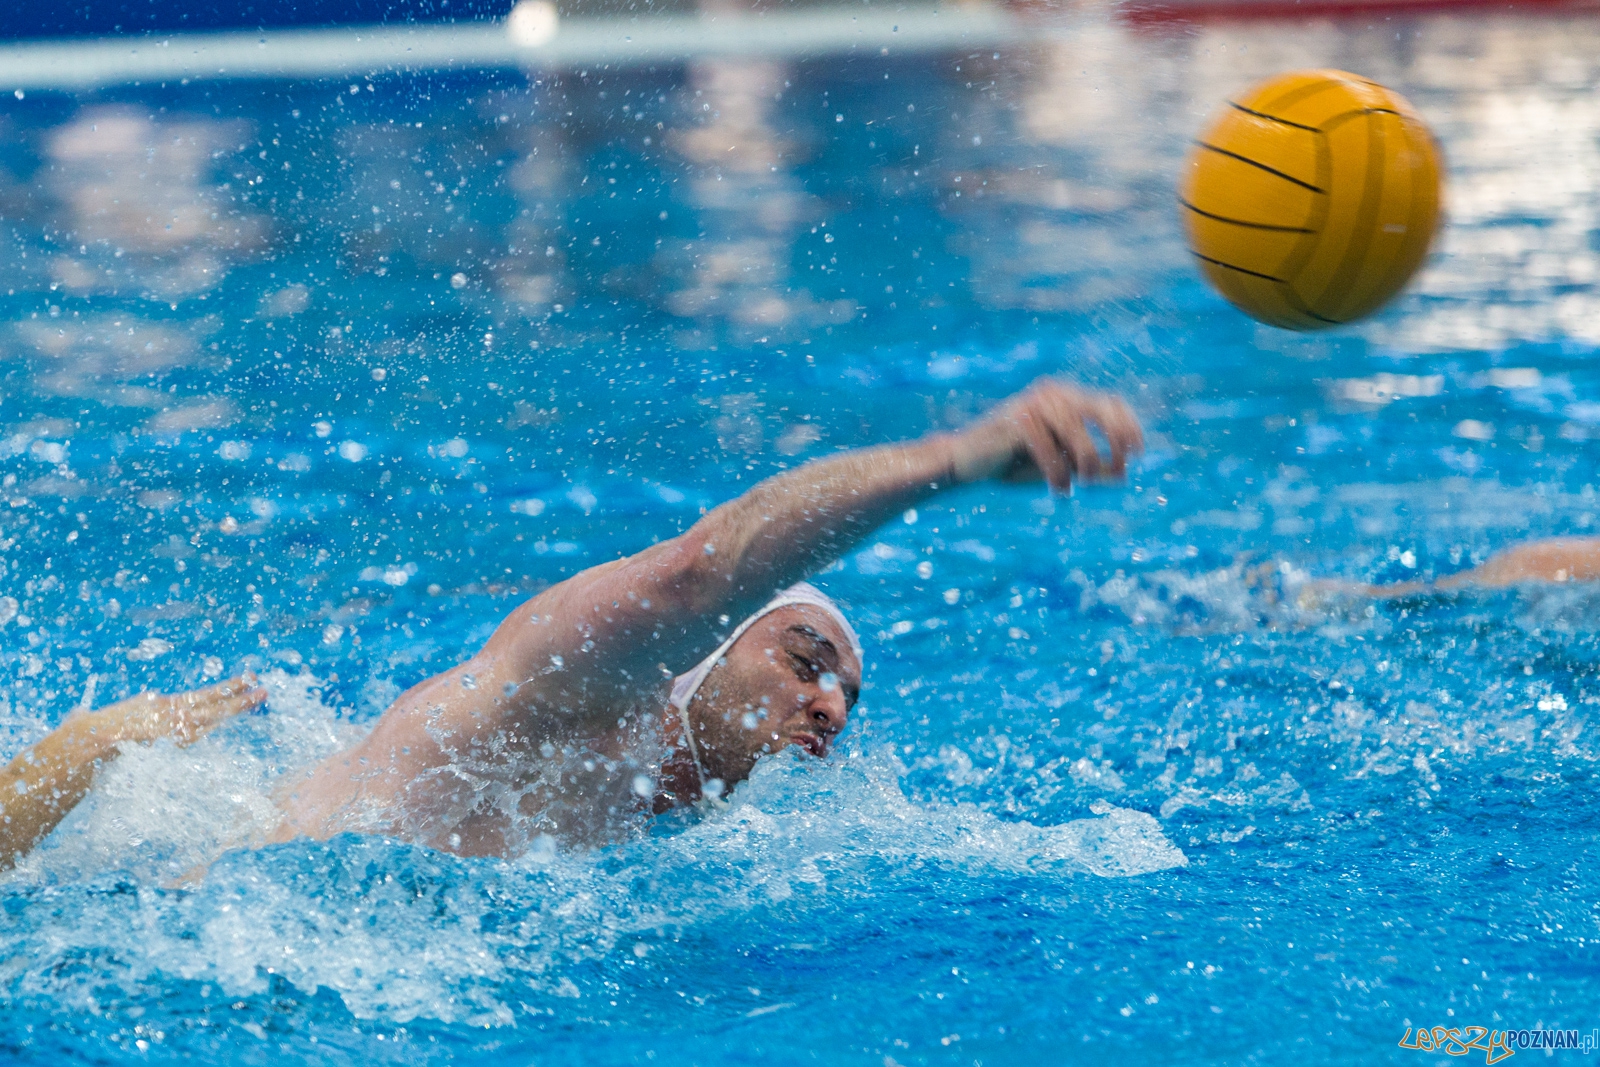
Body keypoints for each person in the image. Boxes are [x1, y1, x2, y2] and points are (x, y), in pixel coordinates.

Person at [0, 379, 1142, 866]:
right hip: (186, 895)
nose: (829, 699)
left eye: (847, 687)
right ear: (701, 658)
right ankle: (97, 742)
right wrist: (951, 460)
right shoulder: (585, 689)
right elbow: (712, 563)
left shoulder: (708, 828)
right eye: (804, 655)